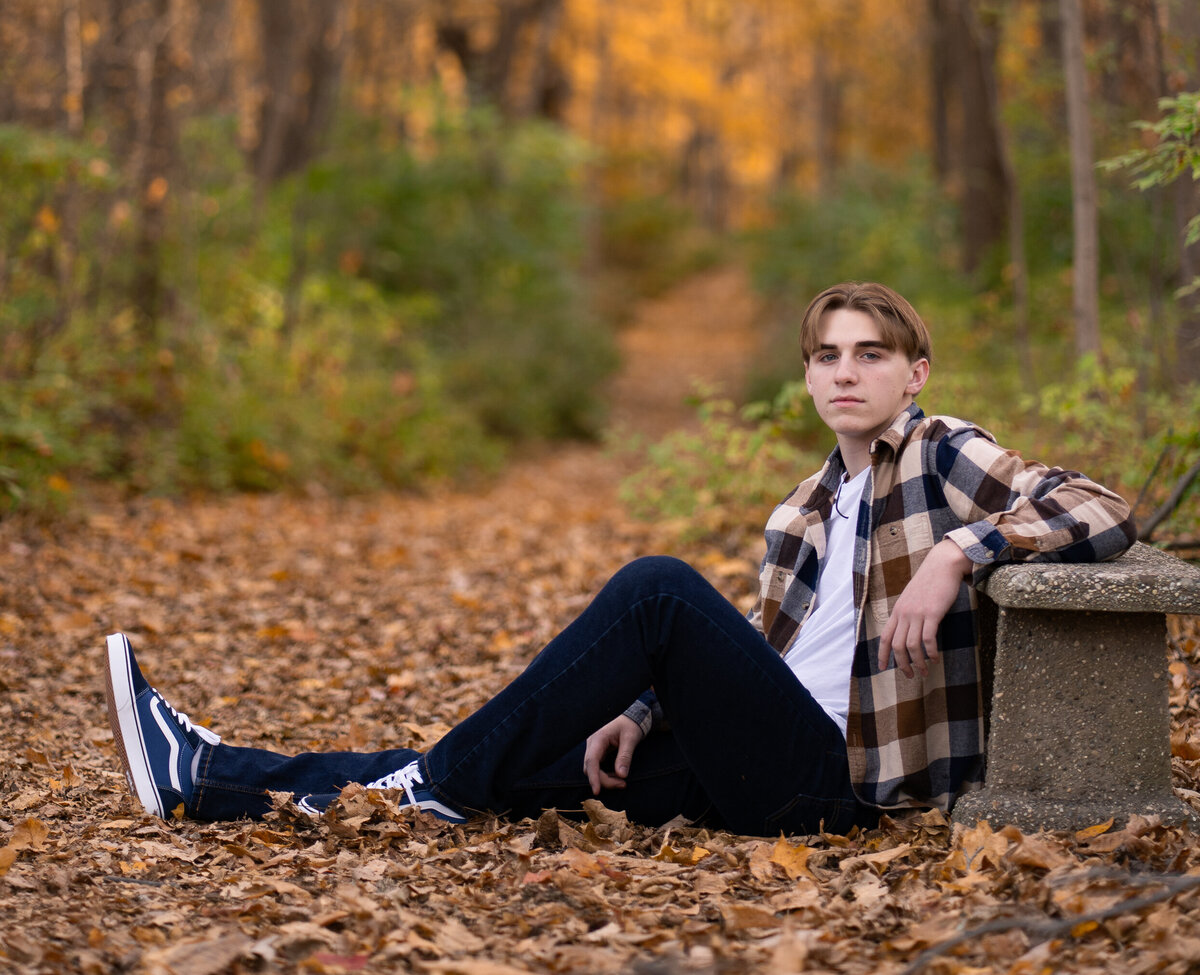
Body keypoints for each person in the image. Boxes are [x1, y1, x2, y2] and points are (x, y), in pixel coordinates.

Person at [103, 280, 1135, 835]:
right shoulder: (804, 511)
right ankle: (211, 776)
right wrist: (641, 712)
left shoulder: (944, 452)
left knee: (657, 587)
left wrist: (962, 549)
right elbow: (762, 659)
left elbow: (1103, 504)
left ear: (915, 372)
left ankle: (416, 785)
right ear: (809, 377)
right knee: (509, 771)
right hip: (754, 754)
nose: (846, 371)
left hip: (843, 781)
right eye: (827, 354)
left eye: (871, 352)